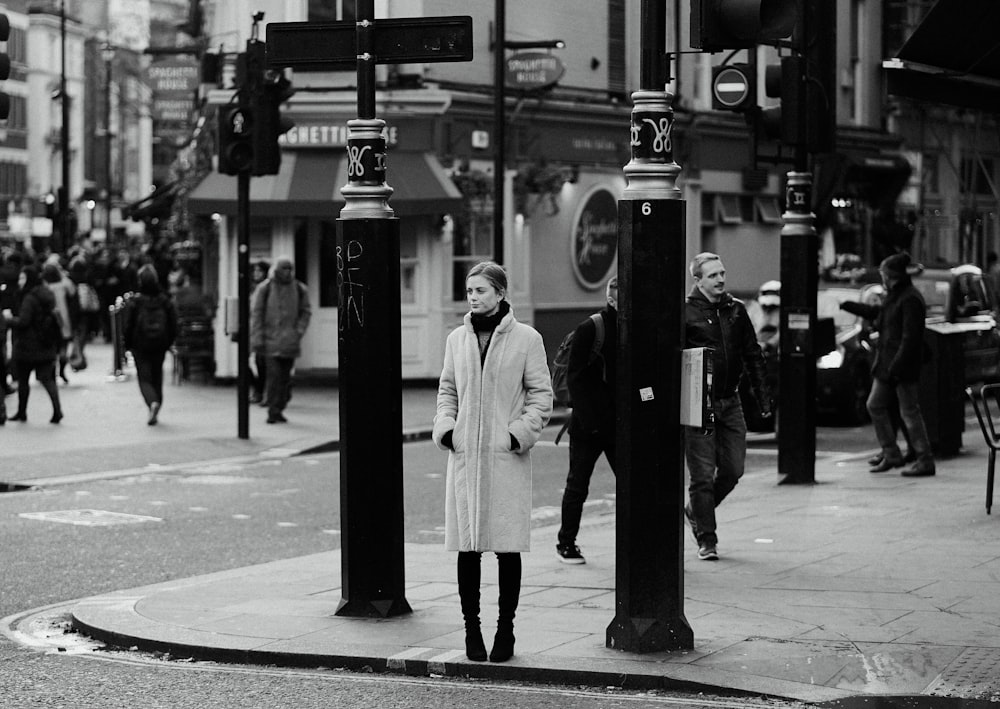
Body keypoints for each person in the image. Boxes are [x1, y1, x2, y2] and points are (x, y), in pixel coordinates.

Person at [432, 261, 553, 663]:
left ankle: (506, 630)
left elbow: (541, 396)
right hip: (465, 456)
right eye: (469, 290)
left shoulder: (527, 339)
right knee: (468, 549)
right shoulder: (456, 340)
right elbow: (447, 390)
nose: (473, 297)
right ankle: (471, 630)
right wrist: (447, 428)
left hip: (505, 458)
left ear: (501, 293)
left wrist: (517, 435)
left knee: (507, 549)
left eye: (480, 290)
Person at [683, 253, 769, 561]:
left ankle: (695, 511)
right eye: (713, 275)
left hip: (731, 400)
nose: (721, 279)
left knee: (734, 469)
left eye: (722, 273)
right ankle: (707, 537)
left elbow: (752, 353)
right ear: (698, 281)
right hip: (698, 401)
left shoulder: (736, 310)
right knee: (702, 474)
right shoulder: (686, 312)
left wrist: (763, 396)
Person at [840, 252, 935, 476]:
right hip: (888, 365)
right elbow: (878, 315)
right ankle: (892, 453)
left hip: (900, 367)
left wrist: (897, 367)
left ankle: (924, 459)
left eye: (883, 273)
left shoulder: (910, 298)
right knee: (876, 406)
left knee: (909, 412)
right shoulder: (894, 296)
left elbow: (910, 338)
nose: (882, 277)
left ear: (891, 275)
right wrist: (849, 305)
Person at [555, 275, 617, 565]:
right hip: (588, 425)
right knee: (578, 484)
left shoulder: (635, 328)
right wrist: (593, 422)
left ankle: (637, 543)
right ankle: (566, 543)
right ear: (613, 298)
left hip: (619, 425)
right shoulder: (592, 328)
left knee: (632, 484)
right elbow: (575, 378)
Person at [250, 257, 311, 424]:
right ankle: (273, 410)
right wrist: (257, 338)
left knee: (284, 379)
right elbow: (257, 314)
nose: (287, 272)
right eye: (284, 268)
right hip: (270, 341)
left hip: (290, 342)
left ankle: (279, 407)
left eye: (289, 268)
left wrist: (298, 332)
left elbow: (305, 312)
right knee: (274, 377)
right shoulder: (265, 288)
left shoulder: (299, 288)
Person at [2, 265, 63, 423]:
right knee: (47, 379)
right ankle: (57, 410)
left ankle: (22, 412)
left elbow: (24, 321)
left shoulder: (29, 297)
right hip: (46, 343)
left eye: (22, 278)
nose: (20, 281)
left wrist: (7, 319)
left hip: (28, 345)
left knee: (23, 380)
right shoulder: (46, 293)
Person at [123, 265, 178, 426]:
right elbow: (173, 323)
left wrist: (127, 344)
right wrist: (169, 341)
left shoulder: (136, 302)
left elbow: (129, 325)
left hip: (140, 344)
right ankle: (157, 404)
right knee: (157, 375)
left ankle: (152, 402)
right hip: (160, 343)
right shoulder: (165, 300)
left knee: (144, 378)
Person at [41, 261, 76, 384]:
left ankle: (52, 373)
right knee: (63, 348)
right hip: (64, 320)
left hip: (50, 322)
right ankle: (62, 371)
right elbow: (73, 291)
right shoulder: (64, 284)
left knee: (52, 349)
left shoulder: (44, 287)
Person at [249, 260, 270, 404]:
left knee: (262, 363)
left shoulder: (267, 289)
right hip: (253, 329)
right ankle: (258, 390)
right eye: (255, 271)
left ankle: (261, 392)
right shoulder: (255, 289)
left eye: (259, 271)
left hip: (264, 330)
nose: (256, 274)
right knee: (256, 362)